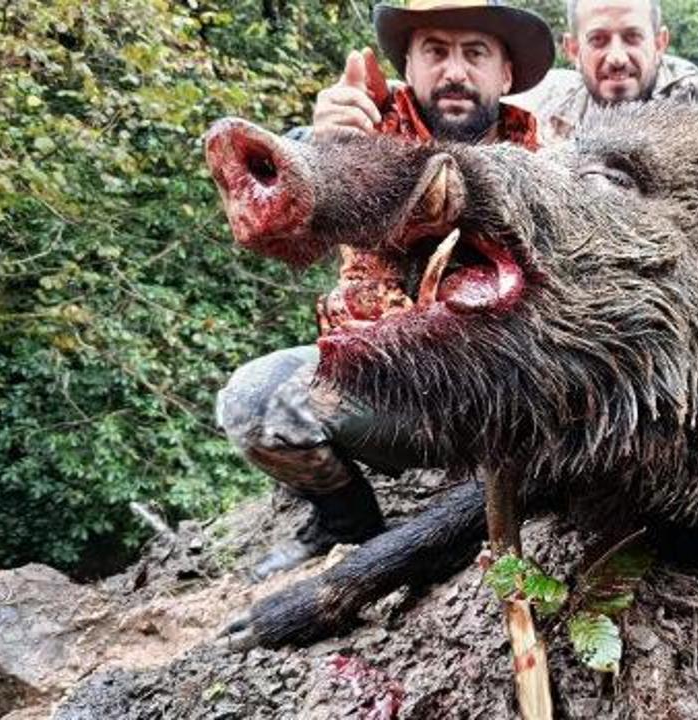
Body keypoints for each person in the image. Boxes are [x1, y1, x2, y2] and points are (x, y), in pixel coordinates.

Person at [216, 0, 555, 580]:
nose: (454, 71)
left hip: (503, 401)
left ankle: (492, 512)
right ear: (409, 66)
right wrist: (311, 148)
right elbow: (282, 221)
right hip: (386, 385)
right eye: (435, 51)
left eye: (475, 53)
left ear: (505, 74)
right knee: (253, 401)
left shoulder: (548, 162)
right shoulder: (364, 129)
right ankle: (346, 523)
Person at [510, 0, 698, 142]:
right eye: (598, 39)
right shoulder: (538, 107)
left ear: (659, 43)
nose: (617, 58)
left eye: (632, 37)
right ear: (573, 50)